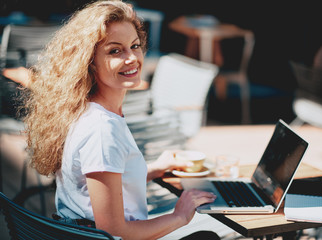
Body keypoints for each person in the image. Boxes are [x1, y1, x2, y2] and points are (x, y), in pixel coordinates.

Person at [18, 1, 219, 239]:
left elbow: (99, 183)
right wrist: (179, 216)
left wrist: (152, 170)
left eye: (134, 46)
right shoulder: (102, 129)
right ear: (89, 62)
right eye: (115, 51)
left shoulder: (84, 110)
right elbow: (114, 230)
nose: (131, 58)